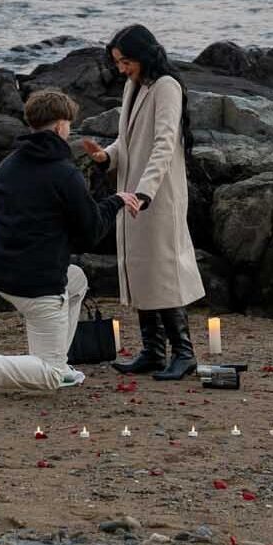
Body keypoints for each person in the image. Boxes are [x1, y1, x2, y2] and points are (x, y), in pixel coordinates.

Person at [0, 87, 140, 402]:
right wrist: (116, 200)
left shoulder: (7, 166)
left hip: (4, 272)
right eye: (69, 125)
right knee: (49, 376)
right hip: (38, 283)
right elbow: (91, 231)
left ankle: (58, 363)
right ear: (61, 126)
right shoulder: (64, 173)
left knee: (76, 279)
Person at [82, 23, 204, 381]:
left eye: (126, 62)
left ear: (143, 55)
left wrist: (145, 191)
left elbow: (165, 143)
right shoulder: (133, 86)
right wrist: (106, 156)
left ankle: (184, 353)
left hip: (156, 196)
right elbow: (128, 140)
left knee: (163, 270)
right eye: (118, 63)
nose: (121, 69)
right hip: (131, 194)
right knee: (141, 269)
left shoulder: (166, 87)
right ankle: (152, 351)